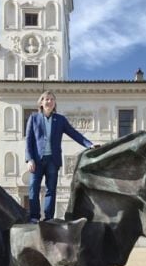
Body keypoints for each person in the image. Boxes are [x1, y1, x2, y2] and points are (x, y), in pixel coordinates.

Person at [25, 91, 96, 223]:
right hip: (37, 160)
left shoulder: (60, 119)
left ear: (54, 103)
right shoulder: (33, 118)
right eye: (46, 99)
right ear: (41, 102)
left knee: (51, 190)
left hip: (53, 160)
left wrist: (89, 144)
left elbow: (73, 133)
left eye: (52, 99)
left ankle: (49, 218)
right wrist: (29, 159)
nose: (49, 101)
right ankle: (34, 217)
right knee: (33, 188)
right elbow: (28, 140)